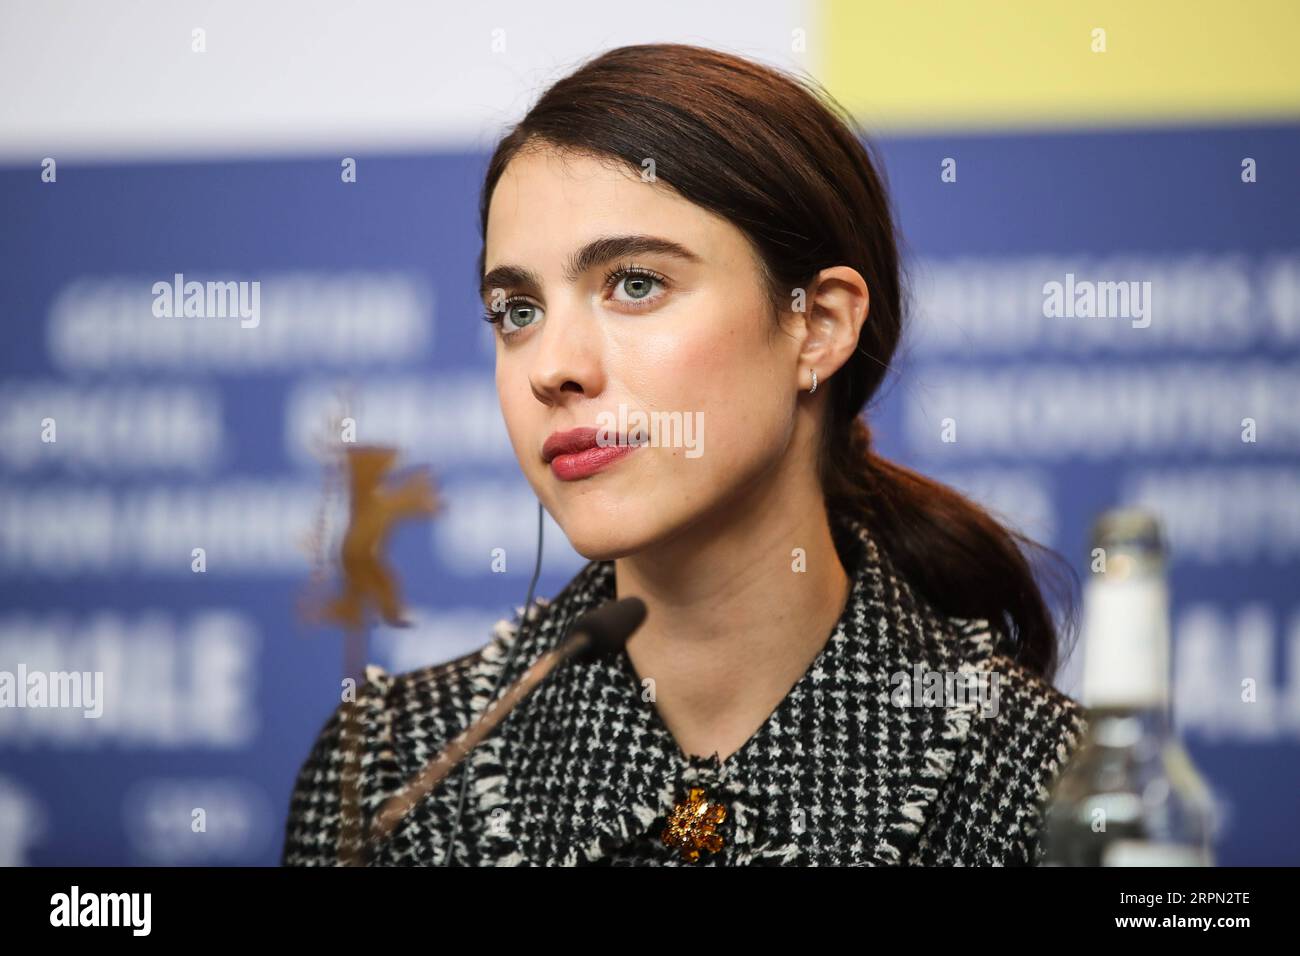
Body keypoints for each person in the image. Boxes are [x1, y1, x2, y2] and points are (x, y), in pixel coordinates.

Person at [281, 42, 1087, 867]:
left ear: (819, 326)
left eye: (635, 284)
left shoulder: (1048, 785)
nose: (553, 366)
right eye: (517, 309)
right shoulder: (387, 773)